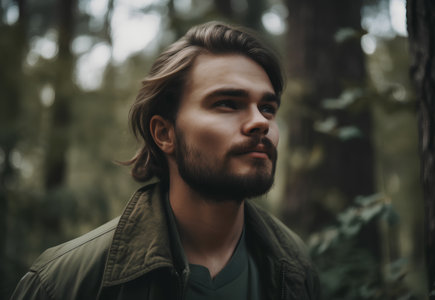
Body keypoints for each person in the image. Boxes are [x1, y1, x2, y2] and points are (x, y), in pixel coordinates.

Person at [10, 21, 320, 300]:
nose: (260, 122)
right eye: (227, 103)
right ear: (164, 133)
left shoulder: (296, 269)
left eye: (267, 108)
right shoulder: (62, 284)